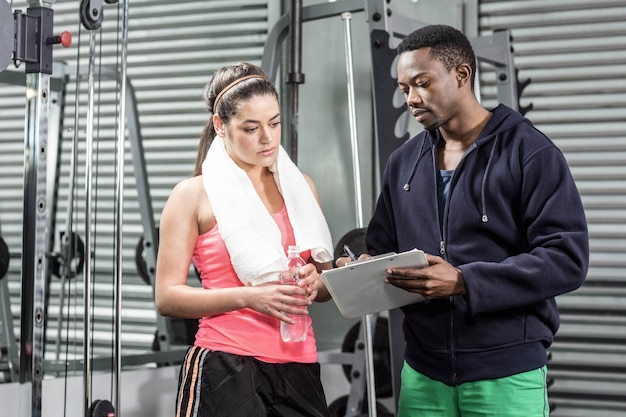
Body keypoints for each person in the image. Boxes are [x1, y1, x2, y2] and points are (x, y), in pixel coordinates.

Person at [356, 25, 589, 416]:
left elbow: (566, 260)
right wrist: (359, 265)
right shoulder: (404, 163)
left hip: (505, 373)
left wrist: (466, 281)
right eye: (404, 88)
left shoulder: (530, 153)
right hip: (423, 373)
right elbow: (382, 244)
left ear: (462, 75)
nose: (412, 99)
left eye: (423, 83)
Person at [154, 62, 335, 417]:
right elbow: (167, 297)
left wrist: (319, 281)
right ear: (221, 126)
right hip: (226, 364)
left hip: (299, 364)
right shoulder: (193, 196)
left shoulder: (301, 188)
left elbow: (326, 287)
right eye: (251, 128)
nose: (267, 138)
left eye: (275, 123)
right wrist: (250, 297)